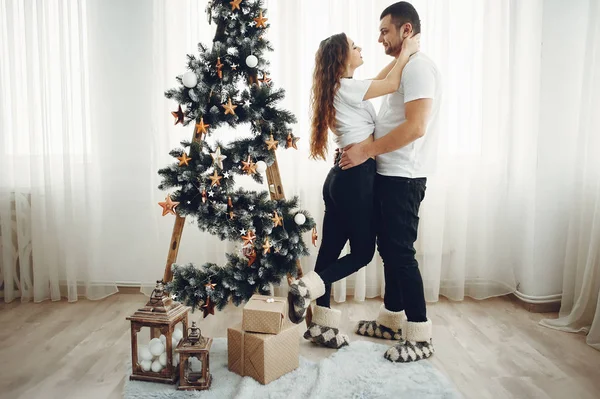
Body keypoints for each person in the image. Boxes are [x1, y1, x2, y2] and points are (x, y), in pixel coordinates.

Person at [287, 31, 420, 350]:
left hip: (339, 180)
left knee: (330, 251)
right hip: (356, 178)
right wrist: (408, 51)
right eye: (354, 46)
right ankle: (307, 286)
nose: (360, 48)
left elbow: (380, 78)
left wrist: (399, 58)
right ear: (341, 58)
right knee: (362, 253)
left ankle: (321, 326)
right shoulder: (347, 87)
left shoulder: (341, 87)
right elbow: (389, 83)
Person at [339, 2, 442, 363]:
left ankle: (419, 333)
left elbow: (415, 127)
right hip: (390, 173)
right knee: (390, 252)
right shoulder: (407, 66)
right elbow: (385, 83)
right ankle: (392, 321)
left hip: (404, 176)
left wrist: (367, 150)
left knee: (400, 254)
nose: (379, 38)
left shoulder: (419, 69)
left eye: (385, 31)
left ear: (406, 31)